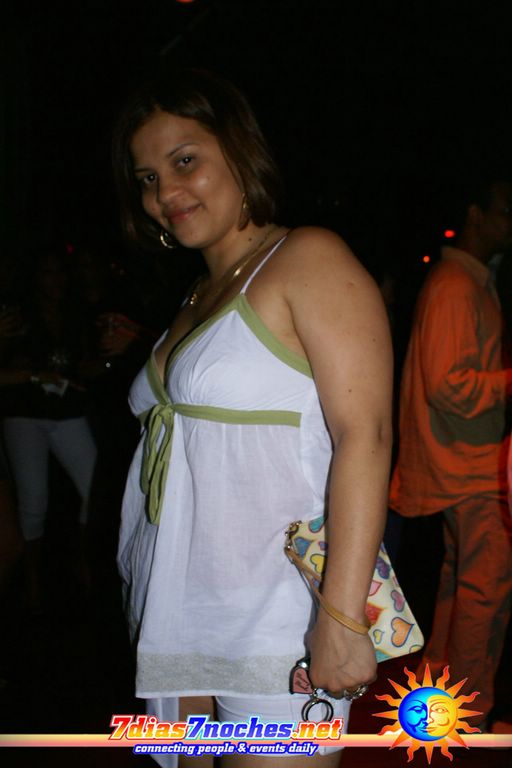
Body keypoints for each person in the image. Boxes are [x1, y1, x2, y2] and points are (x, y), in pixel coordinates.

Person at [113, 68, 393, 767]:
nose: (165, 194)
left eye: (185, 161)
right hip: (178, 609)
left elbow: (366, 436)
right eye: (148, 178)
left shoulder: (307, 258)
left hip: (278, 621)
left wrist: (341, 617)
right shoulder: (198, 292)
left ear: (239, 150)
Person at [389, 178, 512, 730]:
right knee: (484, 590)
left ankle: (440, 698)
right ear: (475, 215)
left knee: (460, 584)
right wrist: (509, 382)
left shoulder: (465, 281)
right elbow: (447, 385)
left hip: (464, 462)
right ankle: (467, 712)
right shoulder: (457, 284)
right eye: (505, 210)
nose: (511, 222)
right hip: (468, 465)